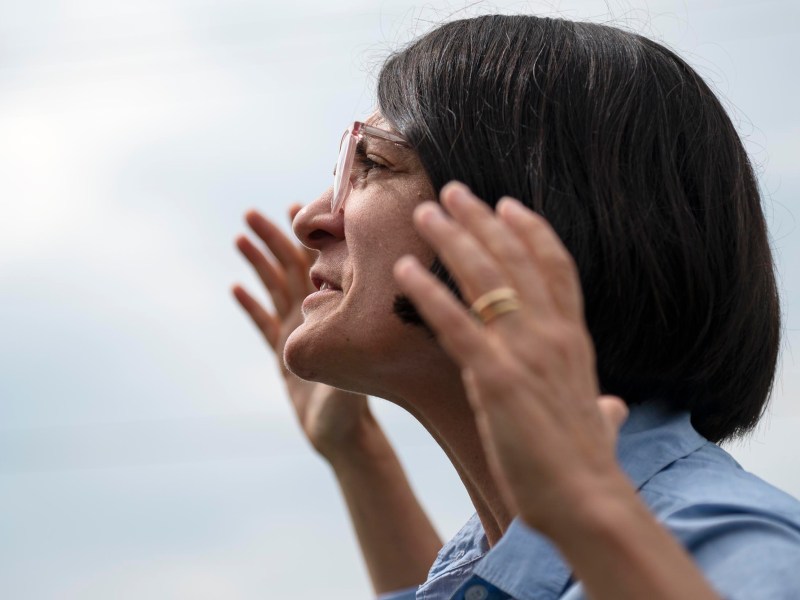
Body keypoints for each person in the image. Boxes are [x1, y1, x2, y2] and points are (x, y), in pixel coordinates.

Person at [232, 14, 800, 600]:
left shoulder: (747, 555)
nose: (311, 219)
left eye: (371, 164)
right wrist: (356, 453)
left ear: (534, 215)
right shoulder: (510, 556)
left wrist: (587, 516)